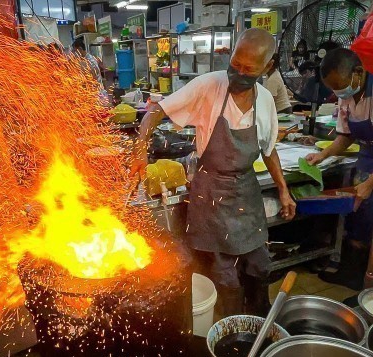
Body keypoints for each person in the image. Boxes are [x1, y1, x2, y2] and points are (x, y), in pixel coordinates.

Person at [130, 28, 296, 317]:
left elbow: (269, 150)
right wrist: (139, 150)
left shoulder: (266, 100)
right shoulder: (208, 86)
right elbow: (156, 112)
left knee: (259, 264)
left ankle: (258, 323)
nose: (238, 73)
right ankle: (228, 328)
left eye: (248, 69)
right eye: (235, 64)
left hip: (246, 191)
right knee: (224, 272)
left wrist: (283, 189)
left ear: (267, 67)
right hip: (211, 193)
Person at [306, 48, 372, 290]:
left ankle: (366, 283)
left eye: (340, 86)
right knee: (358, 216)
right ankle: (351, 274)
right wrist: (322, 155)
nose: (338, 92)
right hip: (366, 157)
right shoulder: (346, 96)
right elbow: (345, 137)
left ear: (358, 72)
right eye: (333, 88)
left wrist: (370, 182)